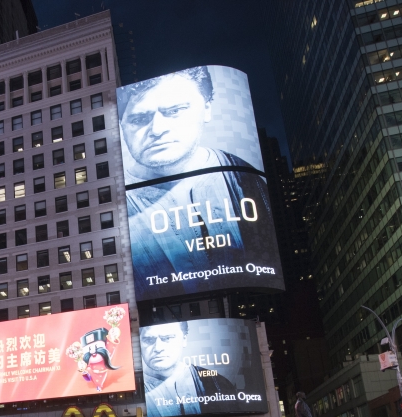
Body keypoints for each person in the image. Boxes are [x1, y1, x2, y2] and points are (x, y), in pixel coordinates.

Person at [117, 66, 280, 298]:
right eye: (139, 118)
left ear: (206, 109)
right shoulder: (110, 202)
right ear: (122, 125)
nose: (157, 129)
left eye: (175, 110)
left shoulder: (244, 176)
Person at [140, 322, 238, 417]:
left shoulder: (218, 382)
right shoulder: (136, 388)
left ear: (184, 339)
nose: (158, 348)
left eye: (167, 338)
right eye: (148, 340)